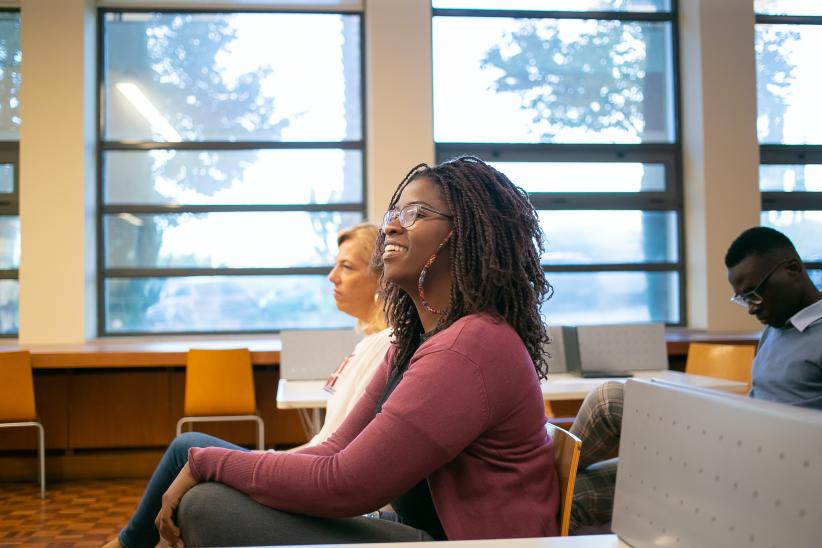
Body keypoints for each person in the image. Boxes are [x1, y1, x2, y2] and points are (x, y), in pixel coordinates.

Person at [160, 156, 559, 546]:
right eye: (394, 215)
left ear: (467, 233)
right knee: (212, 494)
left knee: (206, 506)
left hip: (469, 543)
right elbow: (334, 449)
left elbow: (346, 484)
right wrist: (211, 466)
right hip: (421, 529)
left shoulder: (469, 346)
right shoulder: (415, 341)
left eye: (416, 214)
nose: (392, 227)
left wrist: (208, 463)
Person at [104, 223, 391, 548]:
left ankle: (124, 545)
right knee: (189, 450)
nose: (332, 276)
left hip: (319, 478)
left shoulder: (382, 345)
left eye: (347, 267)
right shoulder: (368, 344)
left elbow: (331, 451)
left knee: (186, 448)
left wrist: (262, 460)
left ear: (382, 280)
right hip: (313, 467)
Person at [568, 225, 822, 534]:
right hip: (731, 453)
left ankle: (534, 475)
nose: (752, 308)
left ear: (793, 269)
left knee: (610, 401)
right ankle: (537, 481)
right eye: (743, 298)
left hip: (760, 473)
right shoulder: (776, 327)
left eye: (755, 293)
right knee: (571, 495)